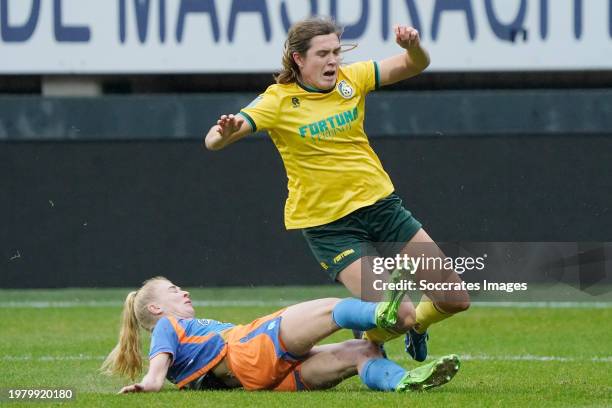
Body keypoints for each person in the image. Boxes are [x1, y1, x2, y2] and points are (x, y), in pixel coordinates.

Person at [204, 17, 470, 361]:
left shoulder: (352, 78)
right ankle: (368, 334)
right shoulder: (278, 101)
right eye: (323, 54)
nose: (333, 60)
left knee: (454, 298)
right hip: (332, 226)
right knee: (399, 315)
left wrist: (412, 47)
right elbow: (215, 139)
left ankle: (415, 326)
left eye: (336, 52)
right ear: (298, 59)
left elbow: (414, 65)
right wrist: (224, 133)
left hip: (382, 208)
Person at [102, 276, 460, 393]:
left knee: (360, 351)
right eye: (174, 291)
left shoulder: (183, 333)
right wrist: (150, 383)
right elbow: (158, 361)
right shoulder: (167, 325)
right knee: (332, 308)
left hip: (261, 378)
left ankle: (403, 382)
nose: (184, 293)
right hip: (248, 349)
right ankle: (380, 311)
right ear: (155, 309)